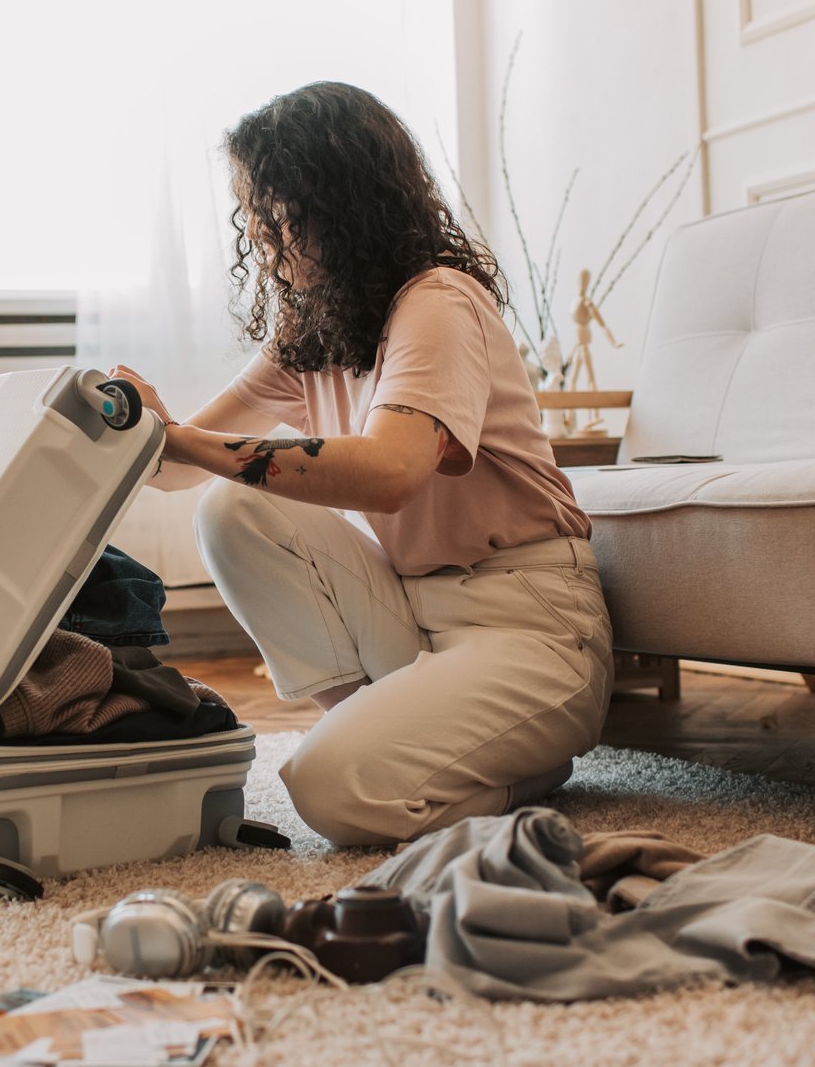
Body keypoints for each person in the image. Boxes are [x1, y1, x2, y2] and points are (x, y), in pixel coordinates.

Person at [109, 81, 613, 847]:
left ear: (338, 204)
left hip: (527, 621)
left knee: (331, 792)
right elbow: (179, 468)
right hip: (409, 613)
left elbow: (391, 470)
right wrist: (134, 426)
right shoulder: (312, 335)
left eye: (274, 212)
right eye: (251, 215)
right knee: (231, 505)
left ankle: (511, 773)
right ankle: (384, 732)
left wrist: (181, 441)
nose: (261, 236)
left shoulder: (439, 300)